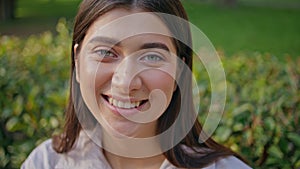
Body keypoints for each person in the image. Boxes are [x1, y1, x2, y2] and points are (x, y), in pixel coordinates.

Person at [21, 0, 252, 168]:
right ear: (77, 61)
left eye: (152, 56)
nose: (126, 82)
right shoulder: (45, 163)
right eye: (105, 53)